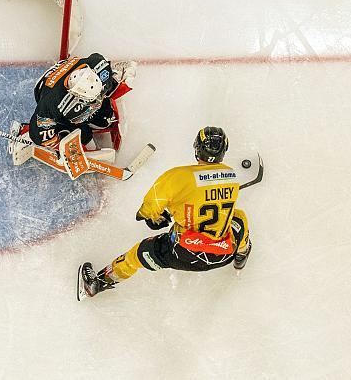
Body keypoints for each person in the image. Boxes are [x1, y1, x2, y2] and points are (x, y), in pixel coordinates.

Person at [77, 127, 252, 300]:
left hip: (183, 252)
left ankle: (98, 283)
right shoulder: (232, 176)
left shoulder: (177, 176)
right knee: (239, 218)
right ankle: (241, 255)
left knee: (138, 254)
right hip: (222, 255)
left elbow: (149, 209)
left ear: (197, 149)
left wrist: (152, 218)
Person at [21, 53, 136, 151]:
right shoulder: (53, 104)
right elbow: (40, 134)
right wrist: (58, 146)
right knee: (84, 135)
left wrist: (127, 72)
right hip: (45, 88)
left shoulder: (98, 67)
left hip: (66, 72)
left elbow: (117, 67)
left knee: (104, 120)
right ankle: (26, 132)